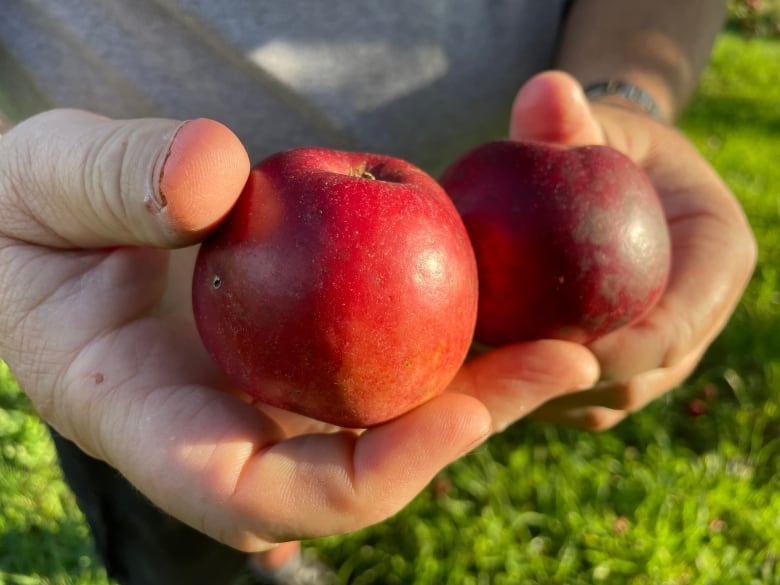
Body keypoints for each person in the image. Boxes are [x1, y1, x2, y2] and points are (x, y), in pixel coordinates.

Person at [0, 1, 756, 584]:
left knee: (258, 497)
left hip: (486, 242)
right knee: (172, 534)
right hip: (119, 295)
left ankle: (277, 562)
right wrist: (10, 201)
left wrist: (624, 100)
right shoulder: (115, 308)